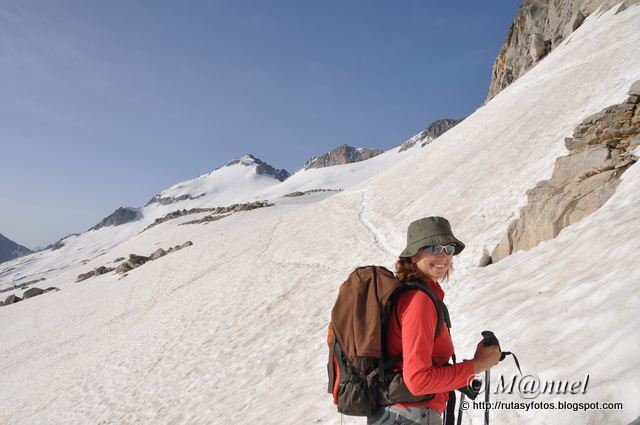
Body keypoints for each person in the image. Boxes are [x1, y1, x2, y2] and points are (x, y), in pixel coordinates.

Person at [366, 216, 501, 425]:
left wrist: (459, 378)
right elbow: (418, 381)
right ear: (412, 256)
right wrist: (478, 365)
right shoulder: (418, 301)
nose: (444, 255)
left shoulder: (412, 295)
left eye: (449, 248)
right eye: (434, 248)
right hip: (409, 418)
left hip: (397, 415)